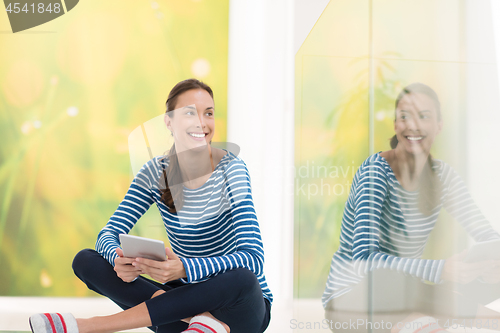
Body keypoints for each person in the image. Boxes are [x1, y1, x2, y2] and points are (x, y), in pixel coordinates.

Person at [29, 79, 272, 333]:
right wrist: (118, 260)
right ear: (169, 122)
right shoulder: (155, 173)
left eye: (208, 113)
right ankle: (198, 322)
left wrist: (185, 268)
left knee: (242, 278)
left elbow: (253, 259)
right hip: (181, 305)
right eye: (189, 113)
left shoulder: (232, 170)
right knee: (86, 261)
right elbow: (107, 235)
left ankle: (86, 326)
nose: (202, 122)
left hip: (239, 311)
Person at [322, 83, 500, 332]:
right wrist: (441, 269)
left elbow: (487, 235)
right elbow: (363, 261)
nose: (413, 125)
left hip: (407, 294)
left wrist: (493, 266)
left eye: (424, 116)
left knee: (490, 270)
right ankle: (489, 320)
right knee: (387, 276)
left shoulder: (443, 176)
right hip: (354, 301)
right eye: (405, 116)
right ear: (396, 125)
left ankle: (419, 320)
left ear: (439, 125)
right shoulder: (375, 173)